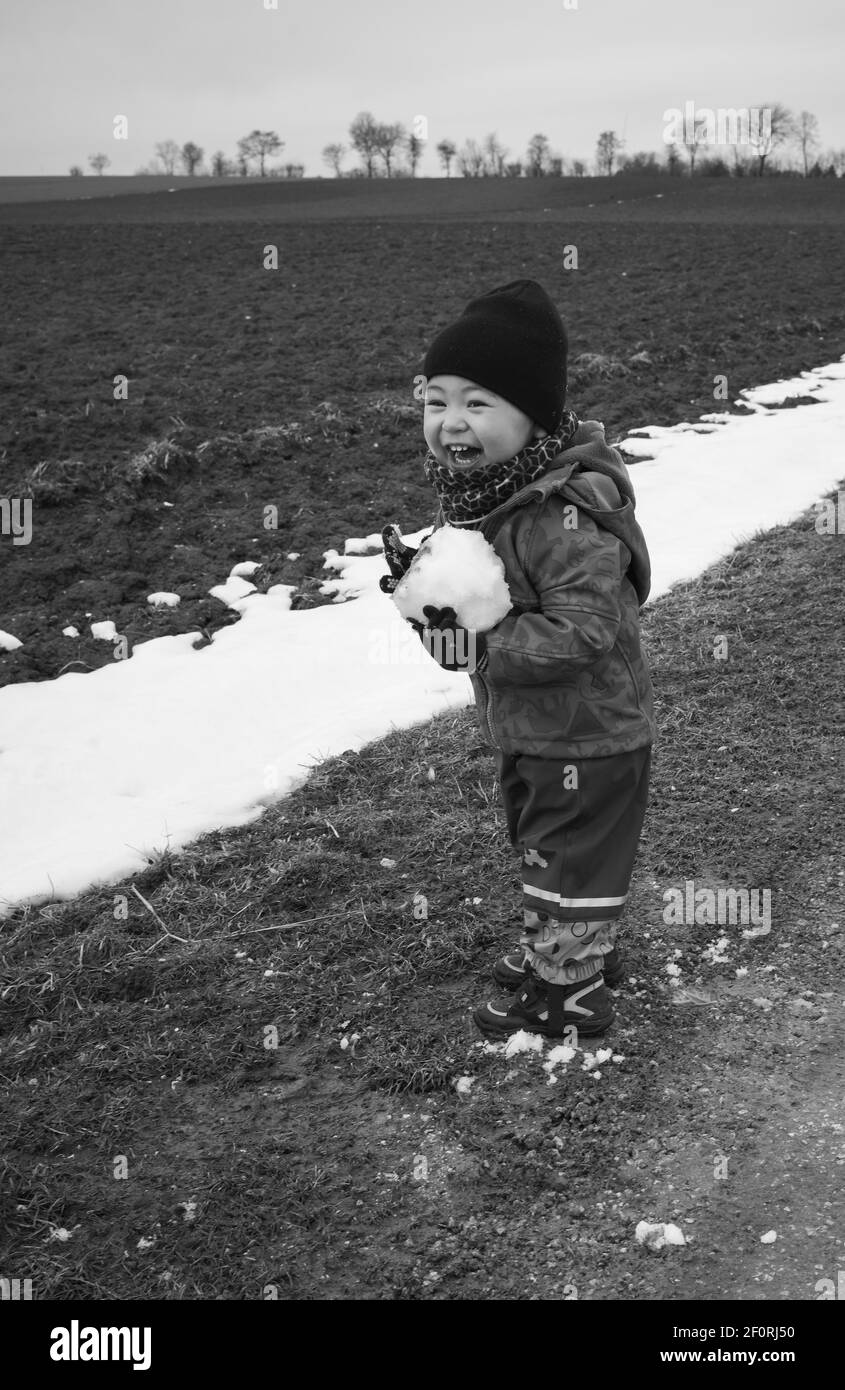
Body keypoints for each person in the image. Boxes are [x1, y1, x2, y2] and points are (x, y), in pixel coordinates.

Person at [380, 279, 654, 1040]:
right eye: (435, 401)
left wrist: (480, 643)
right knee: (549, 850)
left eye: (477, 402)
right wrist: (430, 606)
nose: (450, 422)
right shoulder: (484, 500)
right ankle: (575, 952)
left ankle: (567, 991)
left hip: (587, 734)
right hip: (537, 728)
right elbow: (468, 637)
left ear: (531, 413)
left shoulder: (558, 516)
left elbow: (583, 633)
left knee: (563, 858)